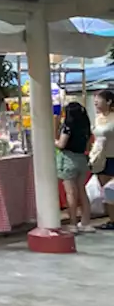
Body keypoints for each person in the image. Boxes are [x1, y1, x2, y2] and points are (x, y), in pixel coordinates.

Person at [55, 101, 93, 233]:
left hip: (68, 160)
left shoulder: (68, 127)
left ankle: (73, 223)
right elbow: (88, 147)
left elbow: (61, 144)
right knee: (82, 191)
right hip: (82, 159)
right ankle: (86, 222)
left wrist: (53, 140)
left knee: (71, 193)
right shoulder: (86, 127)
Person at [89, 89, 114, 229]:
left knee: (112, 189)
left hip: (113, 156)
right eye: (95, 102)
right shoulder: (98, 118)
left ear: (109, 101)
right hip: (100, 158)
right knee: (106, 191)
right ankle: (112, 220)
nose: (96, 104)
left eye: (98, 101)